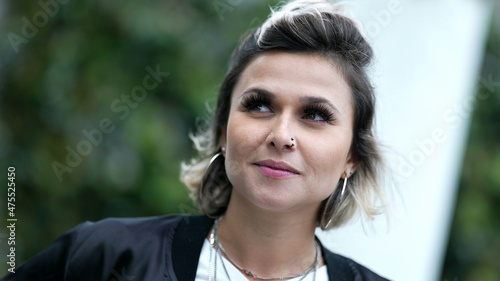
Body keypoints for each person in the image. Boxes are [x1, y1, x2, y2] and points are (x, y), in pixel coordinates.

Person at [2, 0, 388, 280]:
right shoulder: (104, 257)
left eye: (315, 115)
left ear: (352, 156)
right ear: (223, 129)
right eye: (259, 106)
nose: (281, 135)